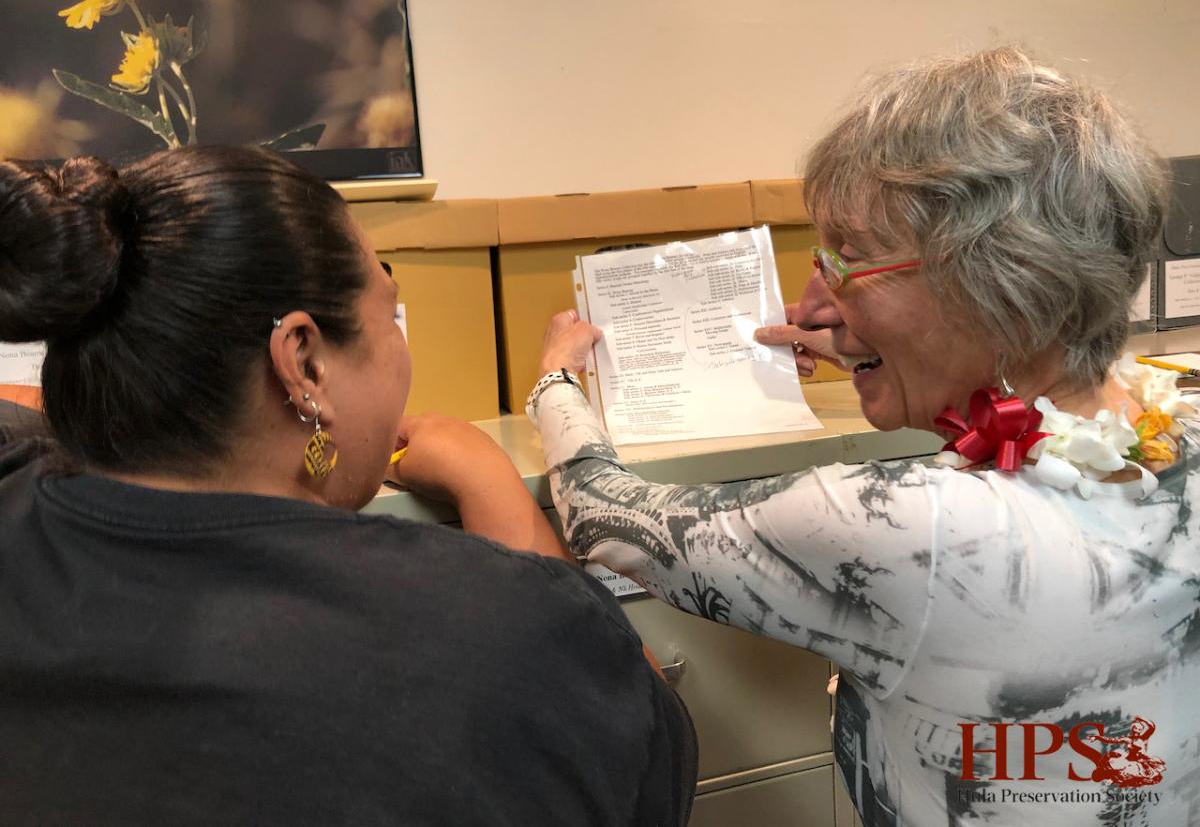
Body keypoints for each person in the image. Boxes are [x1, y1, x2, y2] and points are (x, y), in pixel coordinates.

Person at [529, 48, 1199, 825]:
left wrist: (557, 380)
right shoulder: (1168, 431)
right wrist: (876, 347)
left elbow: (605, 516)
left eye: (848, 257)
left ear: (991, 275)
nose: (818, 292)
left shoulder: (916, 527)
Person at [0, 146, 696, 826]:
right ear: (302, 361)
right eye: (387, 312)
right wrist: (489, 482)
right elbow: (653, 758)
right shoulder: (510, 626)